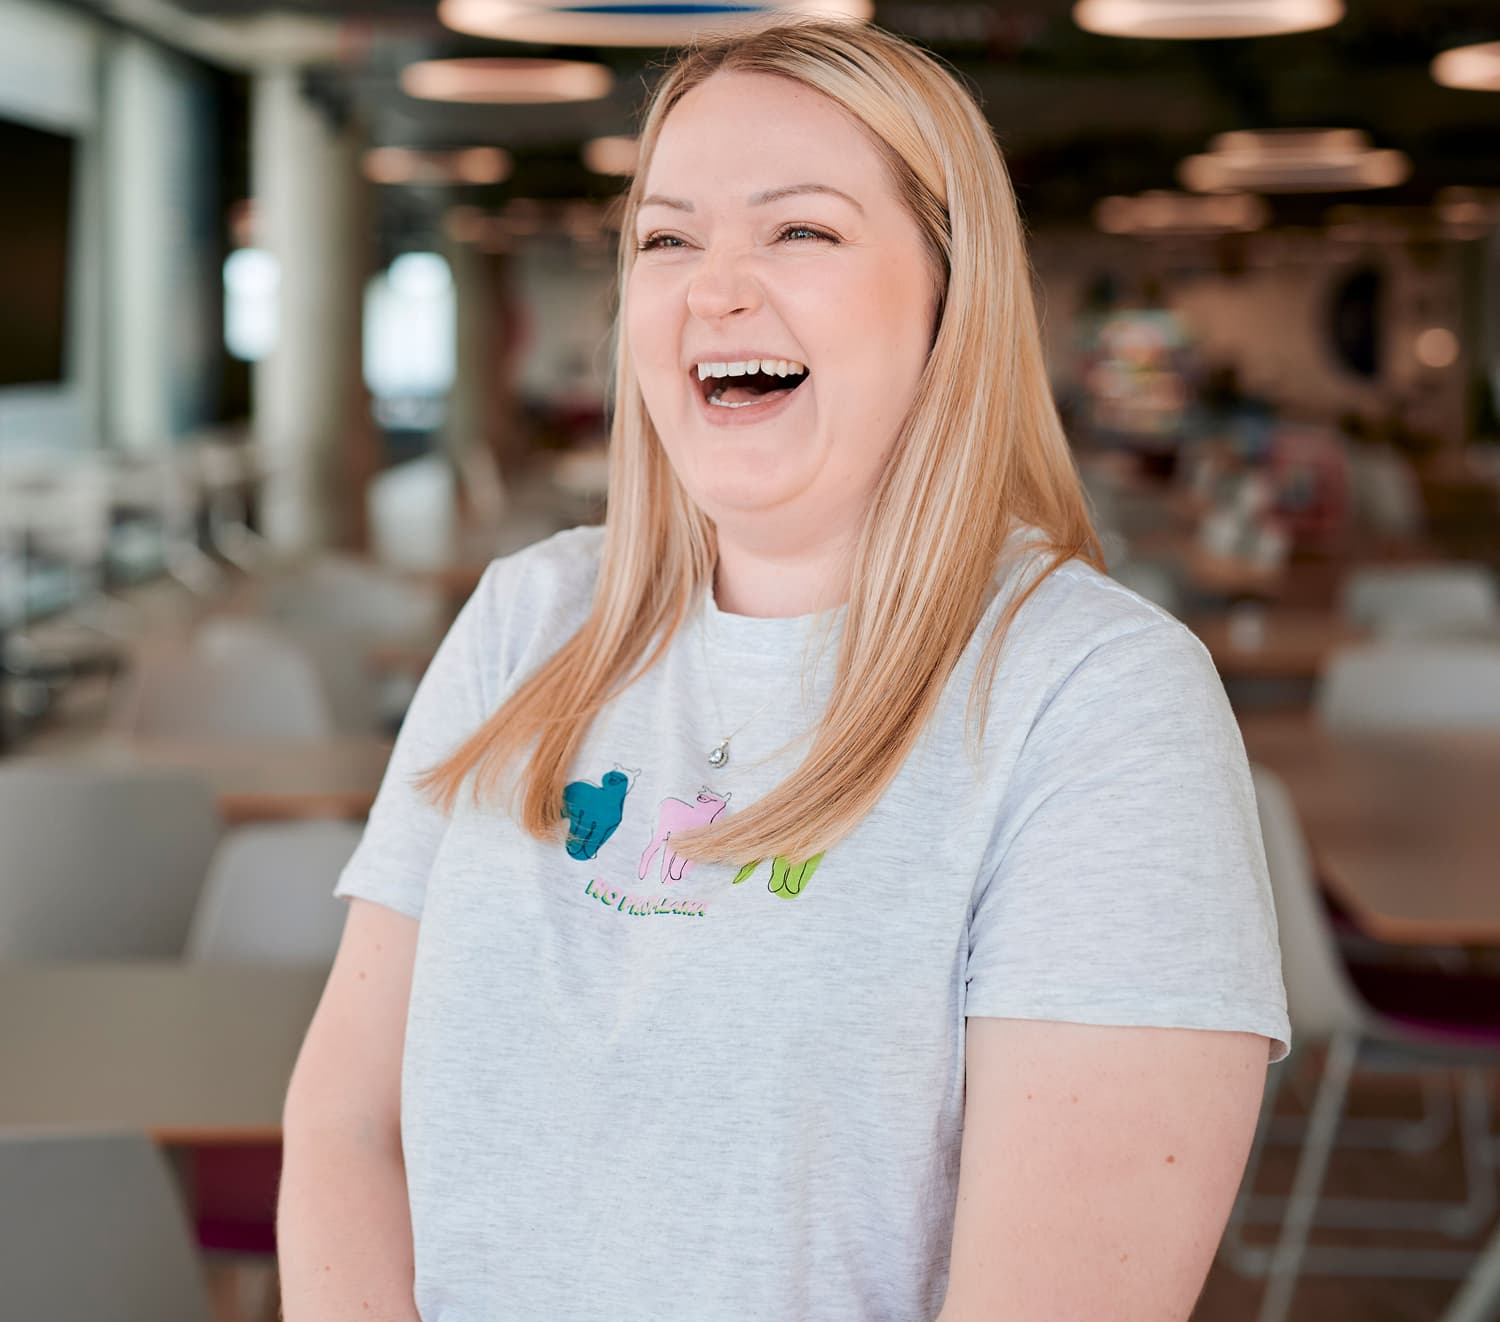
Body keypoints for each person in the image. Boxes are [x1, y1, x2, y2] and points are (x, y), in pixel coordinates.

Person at [278, 18, 1289, 1321]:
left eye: (799, 231)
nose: (716, 287)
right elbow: (347, 1127)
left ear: (950, 291)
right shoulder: (525, 620)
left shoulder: (1101, 702)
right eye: (667, 237)